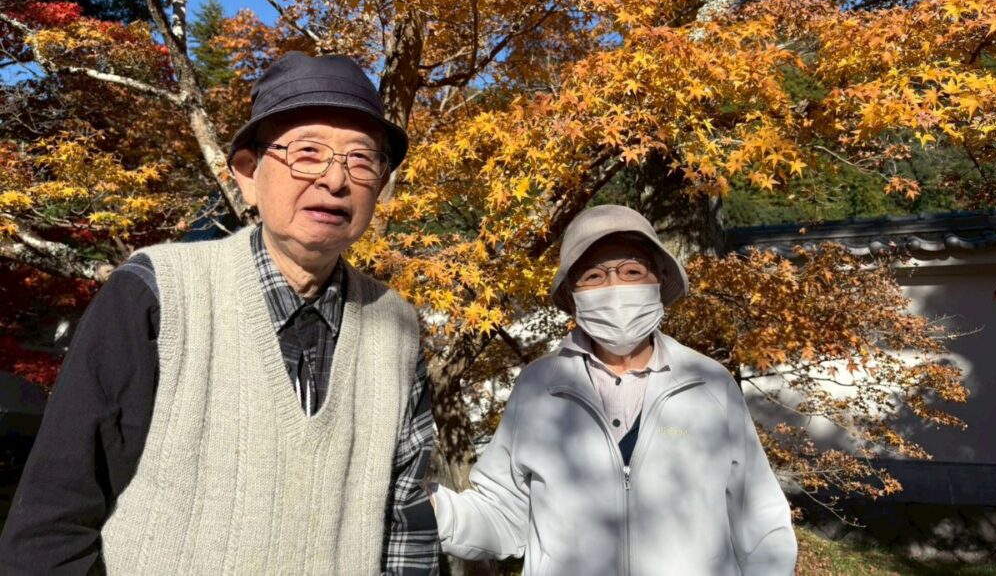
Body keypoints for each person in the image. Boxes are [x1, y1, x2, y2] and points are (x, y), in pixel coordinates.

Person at [0, 52, 440, 575]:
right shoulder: (158, 292)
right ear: (248, 174)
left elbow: (407, 524)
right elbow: (53, 522)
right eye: (307, 153)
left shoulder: (396, 327)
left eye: (361, 160)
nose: (335, 180)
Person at [432, 204, 797, 575]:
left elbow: (762, 522)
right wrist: (433, 510)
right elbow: (502, 513)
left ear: (659, 280)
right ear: (572, 294)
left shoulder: (709, 383)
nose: (615, 287)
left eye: (632, 271)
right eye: (593, 275)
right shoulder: (540, 387)